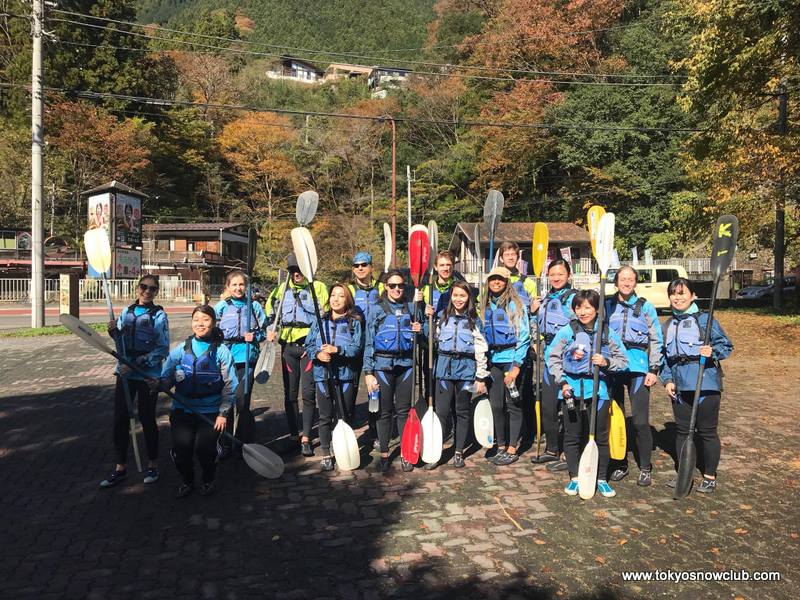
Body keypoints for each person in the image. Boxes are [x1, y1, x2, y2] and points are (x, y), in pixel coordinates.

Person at [546, 289, 628, 498]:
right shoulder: (567, 332)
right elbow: (553, 359)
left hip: (599, 392)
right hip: (571, 391)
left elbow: (623, 361)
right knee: (572, 436)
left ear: (597, 309)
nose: (583, 312)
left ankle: (601, 478)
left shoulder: (607, 333)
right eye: (579, 307)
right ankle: (574, 477)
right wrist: (562, 383)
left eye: (588, 307)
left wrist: (606, 362)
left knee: (600, 437)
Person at [660, 278, 732, 493]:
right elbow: (665, 358)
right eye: (673, 293)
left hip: (705, 384)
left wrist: (712, 352)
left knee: (707, 432)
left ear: (692, 296)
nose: (677, 297)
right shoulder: (668, 325)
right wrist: (667, 380)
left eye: (682, 293)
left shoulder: (705, 320)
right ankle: (685, 472)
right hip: (680, 386)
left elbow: (725, 345)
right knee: (682, 432)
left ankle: (709, 475)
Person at [160, 305, 239, 497]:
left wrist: (223, 414)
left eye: (205, 319)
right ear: (191, 322)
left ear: (213, 322)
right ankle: (187, 481)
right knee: (182, 451)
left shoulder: (221, 352)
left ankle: (208, 479)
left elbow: (230, 385)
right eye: (196, 319)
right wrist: (159, 384)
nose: (200, 323)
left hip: (210, 412)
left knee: (205, 451)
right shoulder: (181, 349)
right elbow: (167, 376)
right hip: (182, 409)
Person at [101, 274, 169, 488]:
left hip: (148, 376)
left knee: (147, 419)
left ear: (157, 292)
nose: (148, 291)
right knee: (120, 419)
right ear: (137, 288)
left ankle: (153, 465)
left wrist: (136, 363)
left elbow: (162, 349)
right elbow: (121, 341)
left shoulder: (159, 316)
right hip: (125, 374)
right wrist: (114, 333)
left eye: (153, 288)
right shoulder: (126, 312)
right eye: (144, 287)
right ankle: (120, 468)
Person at [605, 266, 663, 486]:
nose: (626, 283)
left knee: (639, 422)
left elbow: (656, 339)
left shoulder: (646, 307)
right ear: (616, 281)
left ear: (636, 282)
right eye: (622, 279)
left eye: (630, 279)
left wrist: (654, 368)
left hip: (638, 369)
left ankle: (645, 467)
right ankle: (619, 463)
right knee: (615, 419)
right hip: (613, 367)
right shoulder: (608, 305)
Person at [265, 254, 329, 455]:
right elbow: (270, 310)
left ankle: (307, 437)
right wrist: (270, 327)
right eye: (293, 270)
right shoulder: (281, 289)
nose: (296, 274)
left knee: (308, 394)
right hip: (288, 347)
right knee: (290, 394)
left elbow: (325, 312)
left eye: (299, 269)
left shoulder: (318, 287)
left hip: (309, 347)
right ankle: (294, 434)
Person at [363, 269, 422, 472]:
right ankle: (385, 453)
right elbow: (369, 342)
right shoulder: (377, 309)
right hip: (382, 365)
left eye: (400, 285)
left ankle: (406, 452)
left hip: (405, 366)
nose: (397, 289)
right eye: (393, 285)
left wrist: (419, 328)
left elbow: (422, 334)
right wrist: (368, 372)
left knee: (404, 411)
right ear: (386, 287)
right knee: (384, 412)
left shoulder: (413, 307)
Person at [305, 284, 364, 471]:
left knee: (344, 415)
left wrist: (337, 350)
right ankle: (326, 453)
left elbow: (356, 348)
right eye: (333, 295)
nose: (336, 299)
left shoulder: (354, 322)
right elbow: (308, 345)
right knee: (324, 416)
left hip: (345, 375)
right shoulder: (319, 321)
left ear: (347, 300)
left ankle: (342, 449)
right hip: (323, 375)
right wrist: (318, 354)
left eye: (341, 296)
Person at [430, 281, 489, 468]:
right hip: (444, 370)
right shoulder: (441, 317)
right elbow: (431, 339)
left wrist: (480, 376)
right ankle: (436, 452)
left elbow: (481, 349)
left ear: (468, 298)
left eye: (462, 296)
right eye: (455, 295)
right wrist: (426, 319)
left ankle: (458, 451)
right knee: (441, 413)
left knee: (462, 411)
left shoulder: (475, 321)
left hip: (466, 370)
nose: (458, 299)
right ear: (450, 297)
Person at [479, 266, 530, 465]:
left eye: (500, 279)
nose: (496, 282)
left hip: (510, 360)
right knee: (496, 405)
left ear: (507, 282)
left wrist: (516, 366)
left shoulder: (515, 305)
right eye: (493, 279)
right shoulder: (484, 305)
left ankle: (512, 447)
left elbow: (524, 337)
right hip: (493, 361)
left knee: (513, 404)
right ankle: (500, 444)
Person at [530, 259, 577, 471]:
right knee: (548, 407)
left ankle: (570, 452)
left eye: (560, 274)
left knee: (569, 408)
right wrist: (534, 311)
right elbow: (537, 325)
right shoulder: (546, 298)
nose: (556, 278)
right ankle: (551, 448)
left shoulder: (574, 298)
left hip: (569, 360)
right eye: (552, 274)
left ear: (568, 275)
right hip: (549, 358)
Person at [214, 269, 267, 457]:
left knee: (242, 402)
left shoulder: (255, 307)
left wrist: (256, 336)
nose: (238, 288)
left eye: (241, 284)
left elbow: (265, 332)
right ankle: (225, 441)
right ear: (228, 287)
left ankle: (244, 440)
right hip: (225, 360)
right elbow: (213, 333)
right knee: (226, 401)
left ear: (247, 286)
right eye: (234, 284)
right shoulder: (221, 307)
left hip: (247, 358)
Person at [496, 241, 539, 447]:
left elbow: (534, 314)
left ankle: (528, 433)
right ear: (501, 258)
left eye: (514, 254)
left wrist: (535, 339)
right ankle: (503, 434)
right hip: (500, 346)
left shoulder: (527, 282)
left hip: (522, 343)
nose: (511, 257)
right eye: (507, 254)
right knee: (499, 398)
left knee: (523, 392)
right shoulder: (496, 279)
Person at [347, 252, 383, 447]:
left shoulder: (382, 288)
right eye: (356, 265)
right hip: (355, 346)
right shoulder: (350, 291)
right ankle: (347, 429)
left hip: (375, 347)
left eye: (364, 265)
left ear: (371, 267)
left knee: (374, 390)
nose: (360, 268)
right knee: (350, 391)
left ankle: (375, 431)